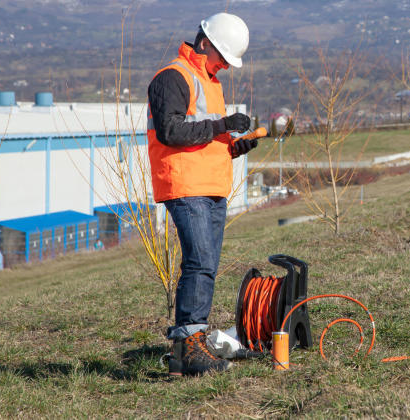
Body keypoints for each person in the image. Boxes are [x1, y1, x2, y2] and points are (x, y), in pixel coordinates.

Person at [147, 12, 258, 376]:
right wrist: (223, 124)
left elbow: (210, 140)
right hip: (185, 185)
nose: (225, 66)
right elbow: (171, 130)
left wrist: (240, 143)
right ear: (205, 43)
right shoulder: (173, 77)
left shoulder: (209, 82)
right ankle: (190, 346)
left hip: (211, 186)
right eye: (223, 57)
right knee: (198, 261)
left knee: (206, 265)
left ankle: (187, 353)